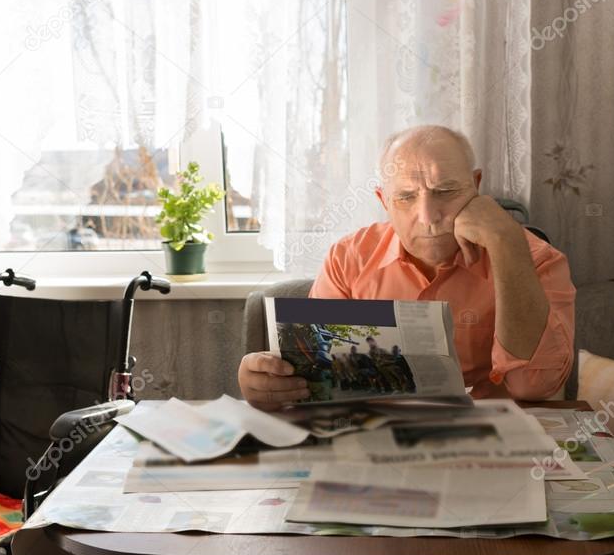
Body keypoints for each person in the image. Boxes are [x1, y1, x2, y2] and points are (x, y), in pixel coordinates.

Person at [238, 125, 575, 410]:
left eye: (446, 190)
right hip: (374, 441)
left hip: (491, 444)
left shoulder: (538, 260)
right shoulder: (349, 258)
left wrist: (506, 242)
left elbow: (536, 386)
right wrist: (267, 381)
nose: (428, 217)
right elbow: (316, 380)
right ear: (384, 201)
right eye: (406, 197)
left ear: (476, 185)